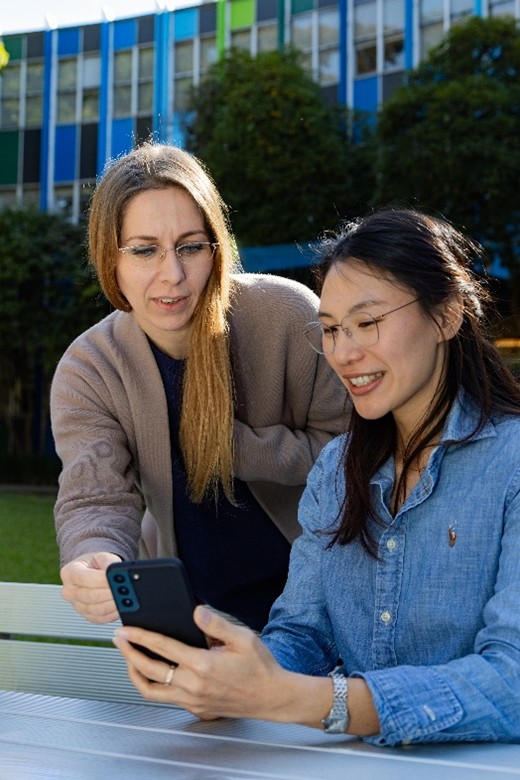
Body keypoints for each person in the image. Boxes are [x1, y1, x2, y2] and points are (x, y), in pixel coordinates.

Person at [111, 207, 520, 745]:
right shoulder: (336, 471)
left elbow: (511, 681)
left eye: (367, 322)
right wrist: (238, 675)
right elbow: (304, 632)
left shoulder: (508, 463)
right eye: (330, 330)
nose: (345, 354)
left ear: (446, 315)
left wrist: (318, 702)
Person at [51, 143, 346, 633]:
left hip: (324, 609)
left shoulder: (289, 317)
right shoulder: (90, 367)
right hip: (194, 622)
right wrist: (94, 555)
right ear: (111, 258)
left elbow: (357, 452)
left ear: (216, 246)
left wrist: (236, 448)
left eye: (190, 247)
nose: (173, 274)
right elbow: (96, 495)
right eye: (144, 250)